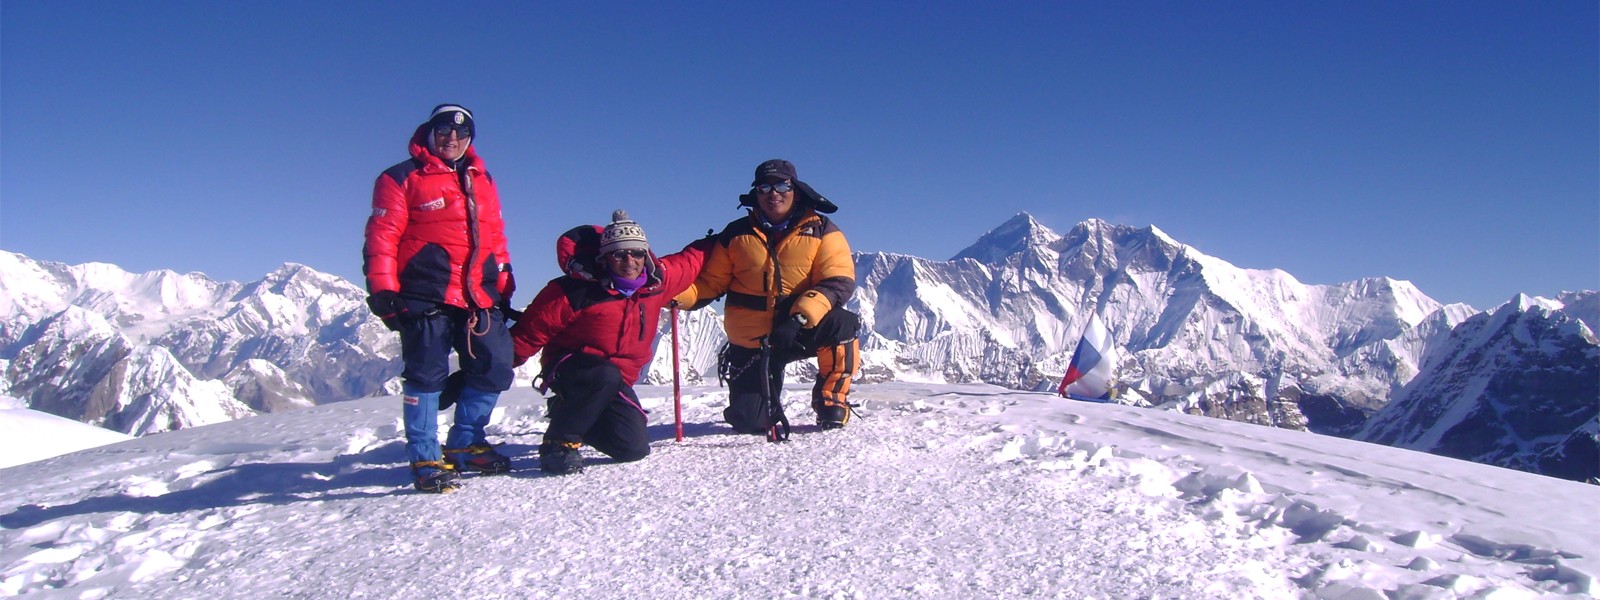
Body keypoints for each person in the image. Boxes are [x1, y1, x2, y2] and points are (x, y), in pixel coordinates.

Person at [363, 104, 517, 493]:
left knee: (495, 365)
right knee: (425, 376)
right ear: (429, 133)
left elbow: (495, 232)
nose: (452, 139)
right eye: (444, 131)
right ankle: (425, 456)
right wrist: (382, 287)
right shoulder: (400, 177)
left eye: (461, 134)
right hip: (425, 290)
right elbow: (382, 236)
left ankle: (465, 443)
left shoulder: (482, 177)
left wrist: (504, 275)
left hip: (477, 293)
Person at [509, 210, 708, 475]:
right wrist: (482, 373)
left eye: (637, 253)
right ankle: (558, 444)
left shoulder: (656, 285)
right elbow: (527, 335)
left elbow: (693, 259)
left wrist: (731, 235)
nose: (630, 261)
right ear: (605, 258)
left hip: (616, 380)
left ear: (646, 256)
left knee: (632, 448)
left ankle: (567, 412)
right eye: (619, 253)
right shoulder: (573, 291)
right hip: (571, 369)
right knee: (603, 374)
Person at [674, 159, 861, 435]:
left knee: (841, 323)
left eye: (782, 185)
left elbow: (838, 282)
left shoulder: (822, 230)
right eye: (765, 187)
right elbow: (711, 283)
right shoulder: (736, 234)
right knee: (751, 422)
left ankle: (831, 400)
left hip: (797, 330)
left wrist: (798, 317)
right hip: (752, 341)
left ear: (795, 189)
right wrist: (675, 296)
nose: (774, 193)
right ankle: (760, 401)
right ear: (756, 193)